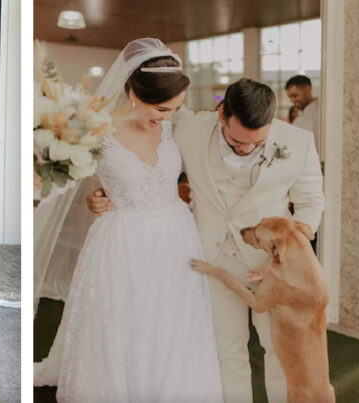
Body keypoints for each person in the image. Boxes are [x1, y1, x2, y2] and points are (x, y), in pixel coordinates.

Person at [80, 76, 325, 403]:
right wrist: (106, 193)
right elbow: (146, 162)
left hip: (272, 267)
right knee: (226, 351)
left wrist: (286, 259)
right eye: (238, 141)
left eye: (257, 142)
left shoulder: (299, 141)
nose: (247, 148)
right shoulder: (189, 129)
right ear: (222, 114)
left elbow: (310, 205)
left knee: (280, 352)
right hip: (210, 259)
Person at [33, 38, 222, 402]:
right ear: (134, 91)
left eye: (174, 109)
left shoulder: (171, 125)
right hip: (123, 241)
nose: (166, 117)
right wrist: (98, 196)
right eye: (161, 108)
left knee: (172, 320)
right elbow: (63, 183)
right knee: (124, 322)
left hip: (175, 236)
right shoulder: (95, 131)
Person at [285, 75, 320, 159]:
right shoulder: (298, 115)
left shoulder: (320, 112)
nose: (292, 100)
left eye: (295, 95)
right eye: (290, 97)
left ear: (308, 90)